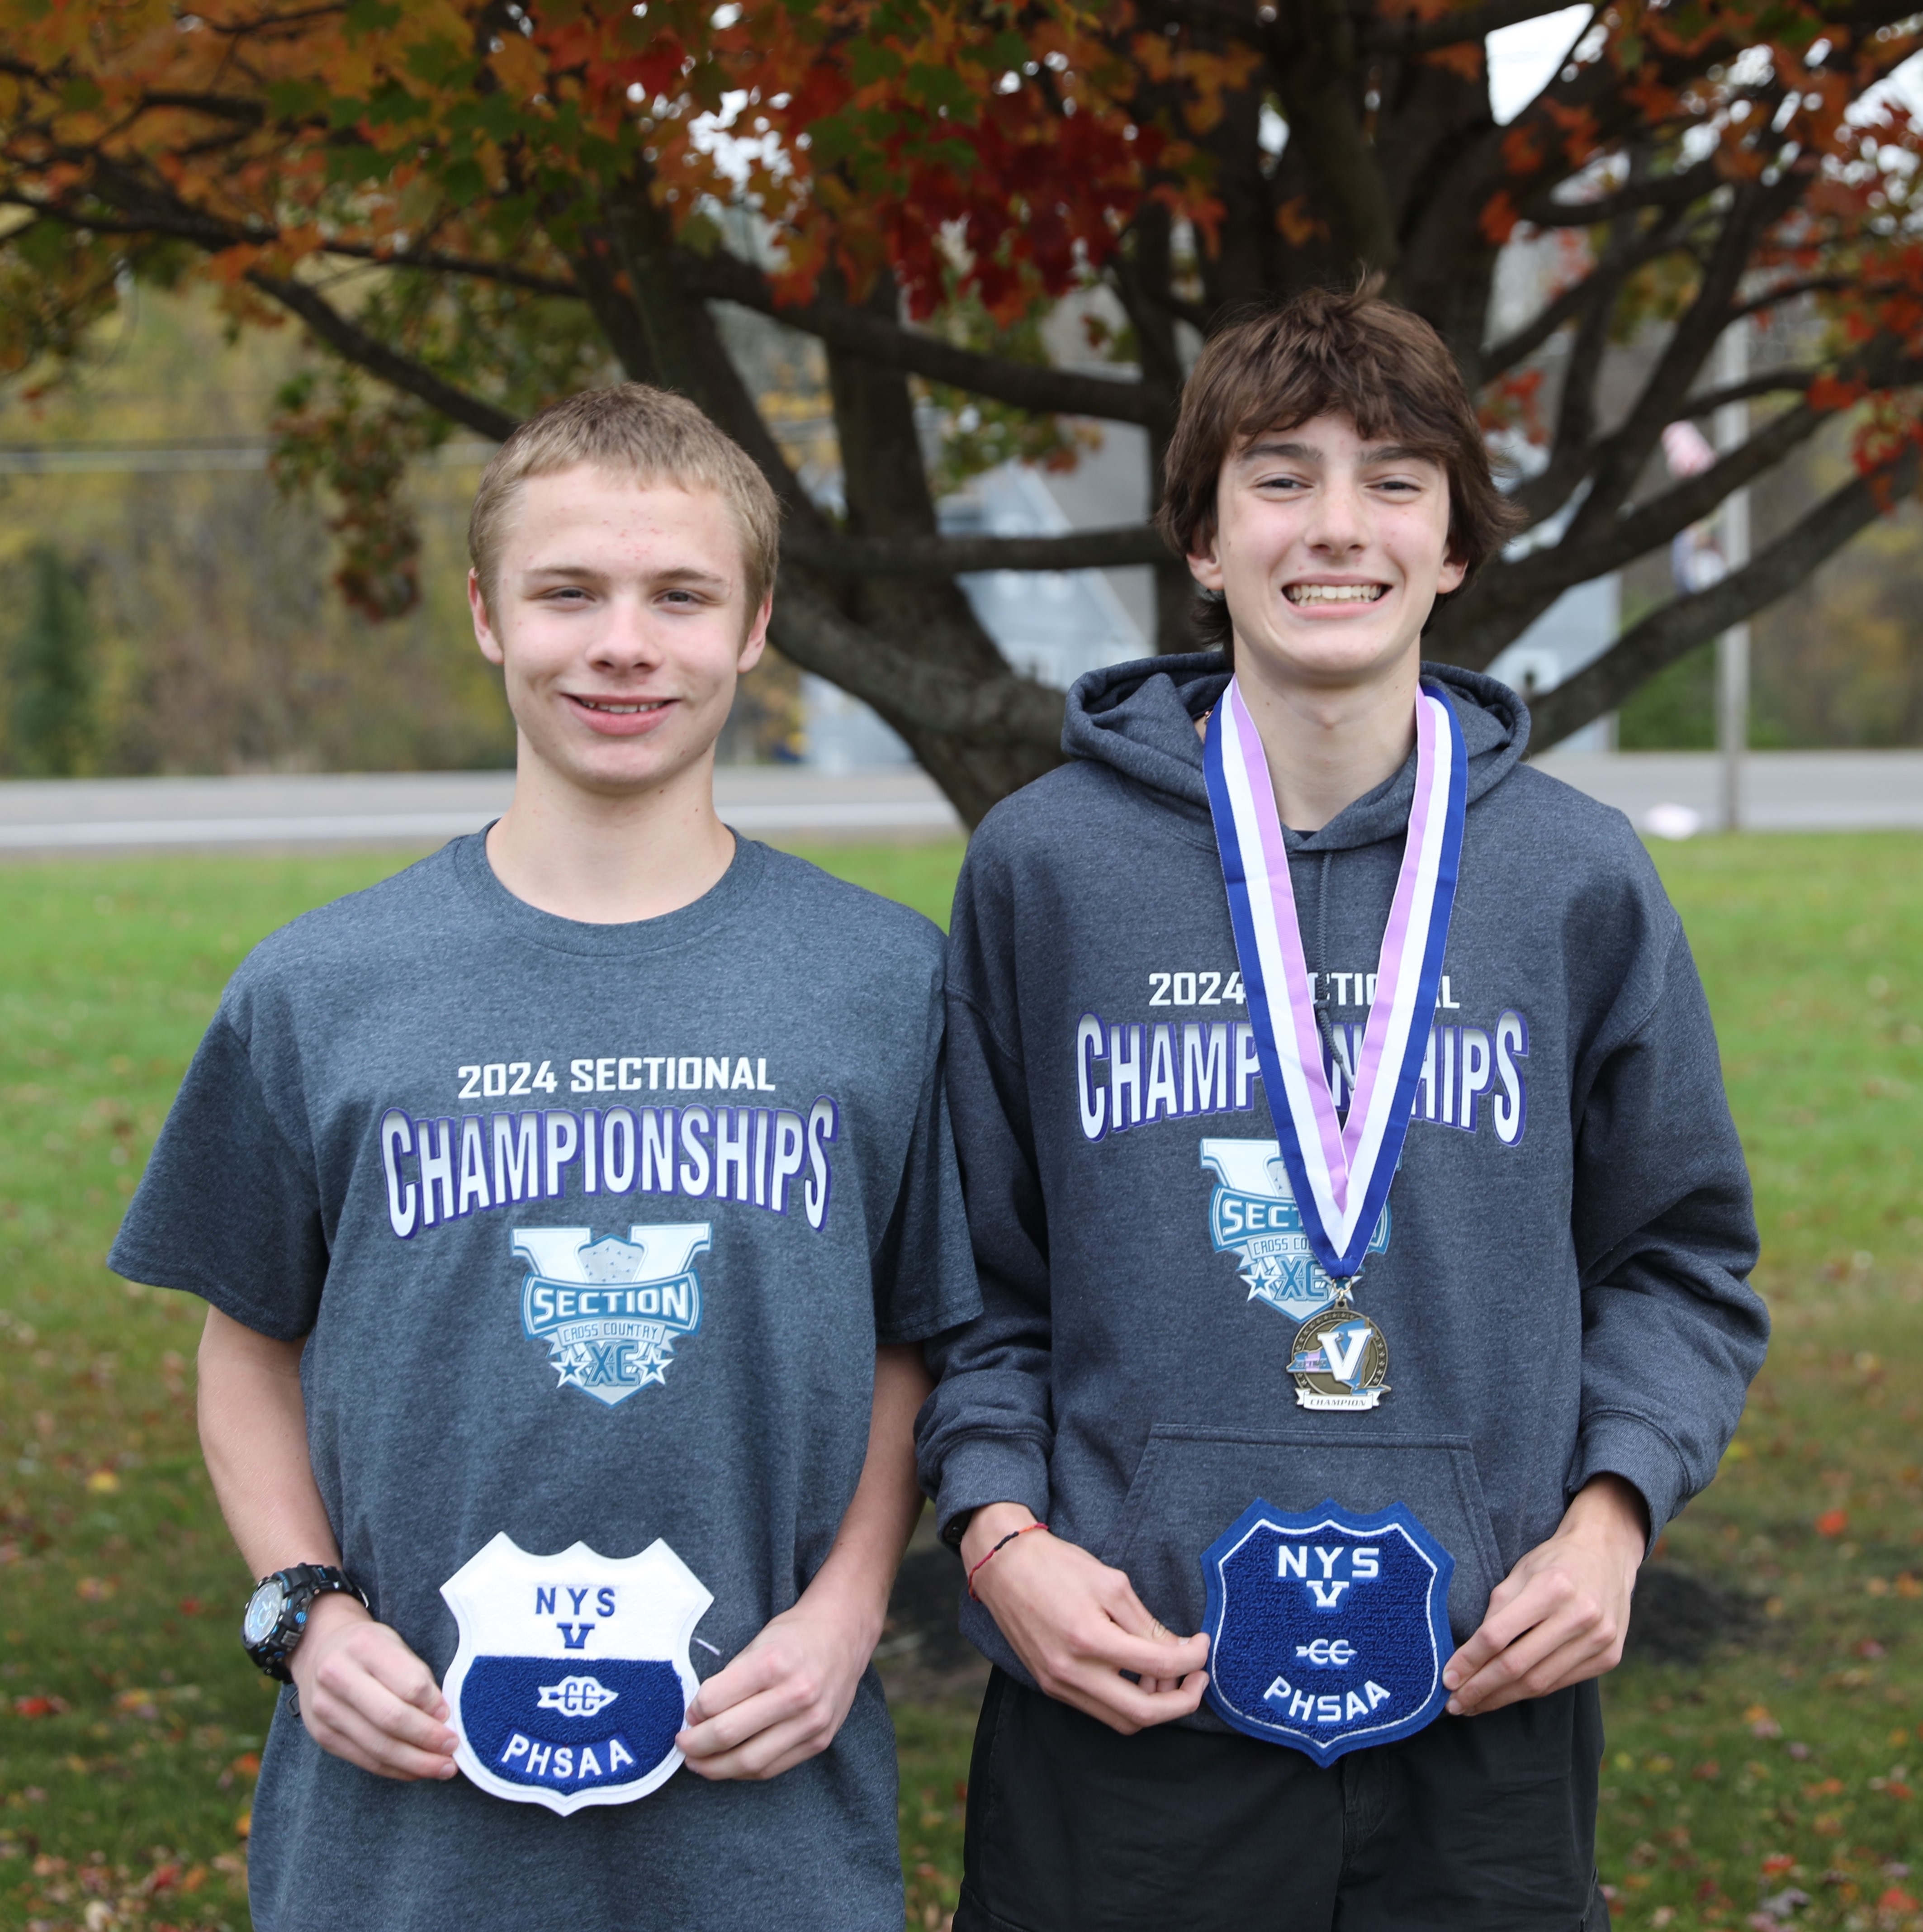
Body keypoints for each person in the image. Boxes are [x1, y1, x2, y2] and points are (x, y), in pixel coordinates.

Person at [915, 288, 1767, 1931]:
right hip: (1127, 1688)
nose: (1336, 527)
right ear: (1201, 538)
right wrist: (1003, 1539)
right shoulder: (1047, 869)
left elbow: (1677, 1262)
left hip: (1481, 1697)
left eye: (1393, 481)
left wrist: (1608, 1525)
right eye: (1279, 477)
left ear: (1453, 546)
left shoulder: (1570, 878)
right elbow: (970, 1275)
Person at [109, 384, 979, 1931]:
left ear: (756, 625)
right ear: (486, 616)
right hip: (405, 1832)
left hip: (758, 1814)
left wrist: (849, 1616)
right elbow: (246, 1348)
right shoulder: (324, 986)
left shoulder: (883, 981)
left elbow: (915, 1337)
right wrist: (303, 1614)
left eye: (680, 596)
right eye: (568, 591)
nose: (623, 643)